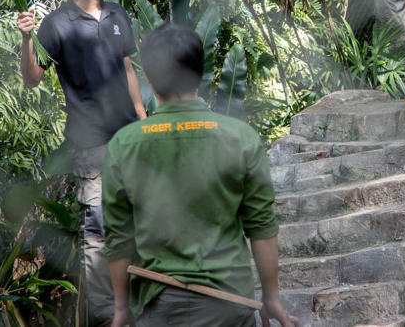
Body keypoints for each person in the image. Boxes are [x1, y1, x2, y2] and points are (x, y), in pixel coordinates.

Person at [102, 23, 300, 327]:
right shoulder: (241, 138)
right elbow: (261, 226)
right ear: (199, 74)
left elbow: (119, 238)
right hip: (230, 304)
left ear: (151, 82)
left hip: (159, 308)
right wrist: (271, 299)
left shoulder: (123, 145)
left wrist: (121, 308)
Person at [17, 0, 147, 325]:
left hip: (130, 137)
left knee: (141, 219)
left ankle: (144, 303)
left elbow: (127, 69)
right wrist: (26, 39)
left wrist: (143, 120)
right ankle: (108, 315)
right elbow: (31, 79)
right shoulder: (56, 23)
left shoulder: (118, 13)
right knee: (98, 228)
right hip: (92, 143)